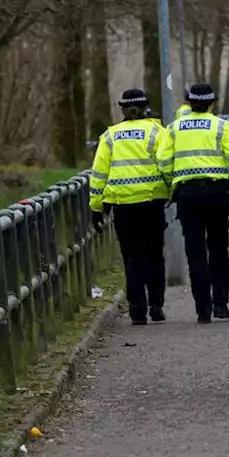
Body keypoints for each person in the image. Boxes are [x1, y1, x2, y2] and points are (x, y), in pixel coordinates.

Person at [157, 83, 229, 324]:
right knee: (218, 248)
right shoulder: (221, 126)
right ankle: (221, 304)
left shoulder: (174, 129)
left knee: (195, 251)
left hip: (187, 196)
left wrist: (172, 185)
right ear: (211, 103)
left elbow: (164, 162)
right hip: (217, 193)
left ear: (189, 102)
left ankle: (202, 310)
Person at [90, 89, 172, 325]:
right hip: (152, 203)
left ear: (123, 110)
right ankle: (157, 306)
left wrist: (96, 207)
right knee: (155, 255)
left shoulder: (110, 136)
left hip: (122, 205)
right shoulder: (158, 132)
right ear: (146, 107)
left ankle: (137, 311)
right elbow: (167, 166)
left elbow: (98, 175)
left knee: (132, 258)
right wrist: (170, 192)